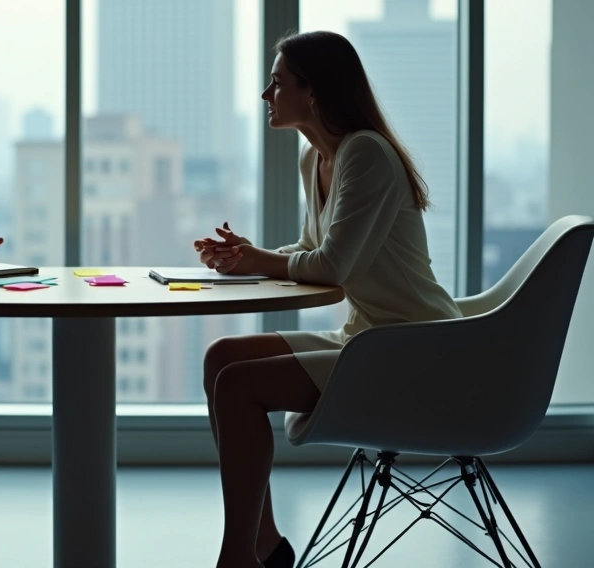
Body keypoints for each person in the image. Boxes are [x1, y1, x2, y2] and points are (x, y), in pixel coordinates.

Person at [194, 31, 464, 568]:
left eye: (277, 83)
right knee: (221, 357)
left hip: (415, 345)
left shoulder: (366, 153)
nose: (266, 94)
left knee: (239, 385)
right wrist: (249, 254)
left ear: (313, 92)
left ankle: (237, 558)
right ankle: (265, 545)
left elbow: (333, 267)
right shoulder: (315, 158)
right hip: (367, 337)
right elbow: (310, 249)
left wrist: (258, 260)